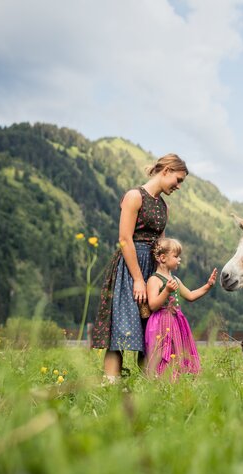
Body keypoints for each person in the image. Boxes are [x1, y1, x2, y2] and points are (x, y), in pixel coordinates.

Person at [91, 154, 189, 382]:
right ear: (166, 170)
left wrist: (162, 275)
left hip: (152, 269)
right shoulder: (134, 196)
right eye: (178, 179)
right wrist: (137, 278)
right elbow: (125, 239)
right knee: (121, 325)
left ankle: (149, 384)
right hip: (130, 267)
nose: (178, 186)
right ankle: (111, 385)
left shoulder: (163, 206)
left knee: (152, 326)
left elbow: (162, 245)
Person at [144, 237, 217, 378]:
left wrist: (208, 286)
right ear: (163, 258)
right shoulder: (154, 280)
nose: (179, 259)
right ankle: (160, 379)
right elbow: (152, 305)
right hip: (160, 323)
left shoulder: (176, 280)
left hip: (176, 322)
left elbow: (190, 295)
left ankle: (177, 378)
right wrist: (166, 291)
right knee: (162, 351)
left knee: (177, 350)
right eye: (176, 256)